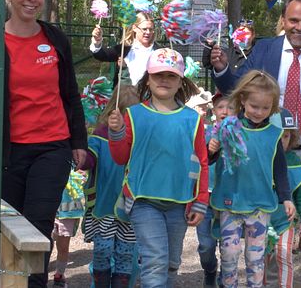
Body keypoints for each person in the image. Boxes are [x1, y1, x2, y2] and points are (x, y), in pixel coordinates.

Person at [209, 0, 301, 288]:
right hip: (266, 151)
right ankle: (272, 283)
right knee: (268, 219)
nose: (299, 27)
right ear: (283, 20)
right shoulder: (265, 49)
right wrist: (223, 68)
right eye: (293, 20)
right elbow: (238, 89)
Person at [0, 0, 88, 287]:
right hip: (5, 152)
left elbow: (71, 94)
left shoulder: (55, 38)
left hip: (52, 147)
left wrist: (79, 141)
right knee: (6, 226)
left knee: (36, 227)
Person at [107, 48, 208, 287]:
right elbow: (120, 157)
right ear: (147, 79)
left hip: (180, 202)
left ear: (180, 80)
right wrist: (117, 131)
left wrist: (200, 201)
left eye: (171, 75)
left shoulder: (192, 119)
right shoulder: (133, 114)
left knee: (172, 263)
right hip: (142, 200)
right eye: (157, 74)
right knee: (155, 261)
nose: (164, 79)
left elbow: (202, 162)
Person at [208, 71, 295, 287]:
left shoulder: (274, 133)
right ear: (243, 100)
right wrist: (211, 149)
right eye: (254, 106)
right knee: (229, 254)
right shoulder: (228, 127)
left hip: (260, 205)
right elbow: (209, 159)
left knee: (256, 259)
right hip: (231, 201)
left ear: (273, 107)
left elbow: (280, 170)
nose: (259, 112)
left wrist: (286, 198)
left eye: (266, 108)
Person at [82, 84, 140, 288]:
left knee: (126, 253)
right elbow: (88, 160)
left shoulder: (139, 138)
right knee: (102, 251)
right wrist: (80, 157)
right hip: (105, 206)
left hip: (130, 208)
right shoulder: (100, 135)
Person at [265, 108, 301, 288]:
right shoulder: (260, 158)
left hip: (286, 219)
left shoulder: (293, 160)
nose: (281, 141)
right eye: (277, 135)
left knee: (283, 255)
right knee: (263, 258)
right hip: (263, 219)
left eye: (285, 137)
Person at [196, 93, 231, 287]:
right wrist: (210, 149)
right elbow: (198, 159)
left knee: (228, 246)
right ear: (213, 111)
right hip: (207, 198)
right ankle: (209, 269)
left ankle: (226, 278)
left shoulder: (239, 134)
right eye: (220, 107)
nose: (225, 111)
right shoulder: (206, 132)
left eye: (230, 107)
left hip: (228, 199)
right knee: (206, 246)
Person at [90, 12, 158, 86]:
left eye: (151, 29)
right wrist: (97, 41)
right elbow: (101, 55)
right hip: (124, 95)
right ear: (134, 28)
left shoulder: (159, 51)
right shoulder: (123, 49)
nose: (148, 32)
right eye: (144, 29)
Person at [51, 169, 86, 287]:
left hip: (68, 212)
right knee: (45, 245)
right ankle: (40, 275)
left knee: (63, 247)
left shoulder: (76, 159)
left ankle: (59, 275)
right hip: (47, 207)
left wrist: (83, 174)